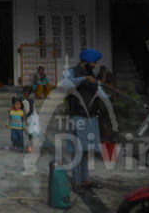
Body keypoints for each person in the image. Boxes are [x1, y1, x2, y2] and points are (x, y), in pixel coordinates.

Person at [62, 48, 102, 192]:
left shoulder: (92, 75)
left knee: (86, 150)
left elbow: (99, 92)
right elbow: (66, 85)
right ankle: (76, 181)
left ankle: (85, 179)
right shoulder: (72, 72)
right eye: (94, 63)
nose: (96, 65)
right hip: (78, 116)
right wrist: (84, 79)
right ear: (87, 62)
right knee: (77, 150)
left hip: (90, 116)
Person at [21, 86, 40, 153]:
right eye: (24, 93)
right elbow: (22, 108)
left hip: (32, 118)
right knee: (28, 132)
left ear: (29, 93)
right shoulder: (23, 100)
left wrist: (26, 116)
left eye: (27, 93)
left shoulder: (31, 100)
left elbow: (31, 110)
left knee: (32, 132)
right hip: (27, 118)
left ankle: (32, 146)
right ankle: (30, 146)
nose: (25, 94)